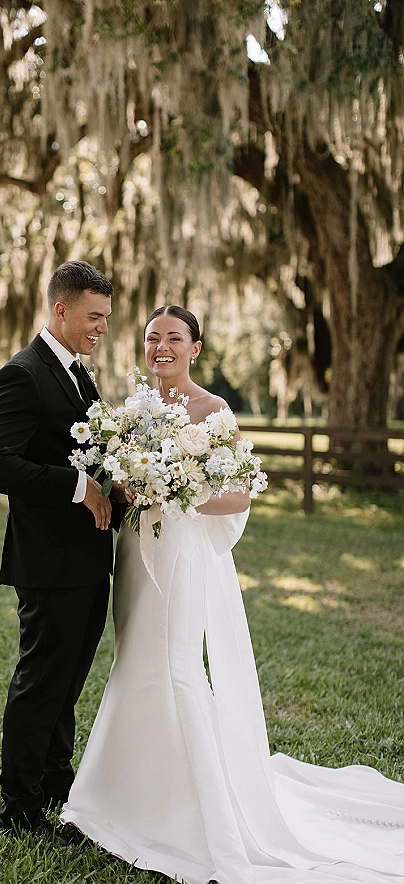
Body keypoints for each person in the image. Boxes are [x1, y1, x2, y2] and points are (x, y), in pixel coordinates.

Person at [61, 305, 404, 884]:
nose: (162, 347)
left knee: (176, 667)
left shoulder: (214, 410)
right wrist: (129, 483)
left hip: (182, 556)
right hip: (136, 555)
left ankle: (195, 815)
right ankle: (125, 793)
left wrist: (177, 489)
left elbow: (239, 496)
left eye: (174, 338)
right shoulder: (131, 411)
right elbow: (120, 482)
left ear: (195, 348)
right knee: (134, 660)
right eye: (153, 338)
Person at [0, 260, 122, 840]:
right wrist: (77, 485)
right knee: (41, 682)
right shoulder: (23, 375)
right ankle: (20, 807)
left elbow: (82, 448)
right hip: (48, 562)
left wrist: (118, 479)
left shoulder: (78, 373)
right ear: (60, 310)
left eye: (107, 318)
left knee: (68, 681)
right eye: (93, 317)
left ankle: (57, 784)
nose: (101, 328)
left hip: (87, 558)